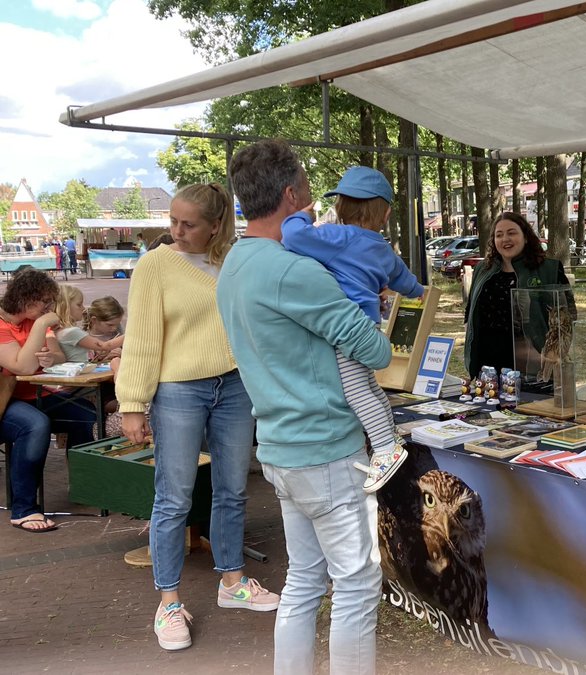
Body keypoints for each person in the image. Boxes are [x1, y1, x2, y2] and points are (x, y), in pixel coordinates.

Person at [219, 139, 392, 675]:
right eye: (309, 184)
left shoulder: (235, 264)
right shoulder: (295, 272)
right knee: (358, 585)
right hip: (325, 452)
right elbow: (377, 351)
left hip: (279, 446)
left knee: (303, 582)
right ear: (291, 194)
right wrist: (374, 313)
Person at [118, 182, 278, 652]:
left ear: (216, 225)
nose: (176, 231)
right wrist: (132, 403)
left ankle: (233, 580)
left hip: (233, 385)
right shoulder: (156, 264)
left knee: (232, 489)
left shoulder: (231, 261)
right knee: (174, 496)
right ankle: (168, 600)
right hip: (178, 389)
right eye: (173, 220)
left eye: (188, 224)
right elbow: (144, 337)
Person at [282, 165, 424, 493]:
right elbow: (407, 282)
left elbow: (293, 237)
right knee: (369, 387)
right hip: (370, 324)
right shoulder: (383, 248)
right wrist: (418, 293)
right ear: (385, 213)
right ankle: (392, 437)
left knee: (355, 391)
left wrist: (303, 215)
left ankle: (386, 450)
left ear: (341, 206)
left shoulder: (337, 236)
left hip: (346, 325)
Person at [0, 269, 96, 532]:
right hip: (5, 401)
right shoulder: (14, 323)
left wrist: (49, 359)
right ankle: (24, 508)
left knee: (84, 413)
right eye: (46, 302)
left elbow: (57, 356)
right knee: (34, 425)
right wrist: (42, 325)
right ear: (27, 299)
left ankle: (85, 486)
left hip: (35, 394)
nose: (50, 308)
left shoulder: (33, 321)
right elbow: (20, 367)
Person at [463, 211, 573, 379]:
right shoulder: (483, 270)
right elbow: (470, 311)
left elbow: (568, 316)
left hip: (532, 363)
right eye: (499, 235)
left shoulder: (548, 270)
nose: (505, 239)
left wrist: (553, 354)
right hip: (487, 366)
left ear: (526, 237)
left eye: (512, 233)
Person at [52, 287, 124, 363]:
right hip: (81, 372)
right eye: (79, 305)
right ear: (66, 307)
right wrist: (131, 334)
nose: (83, 308)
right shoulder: (72, 332)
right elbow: (105, 346)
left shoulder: (59, 330)